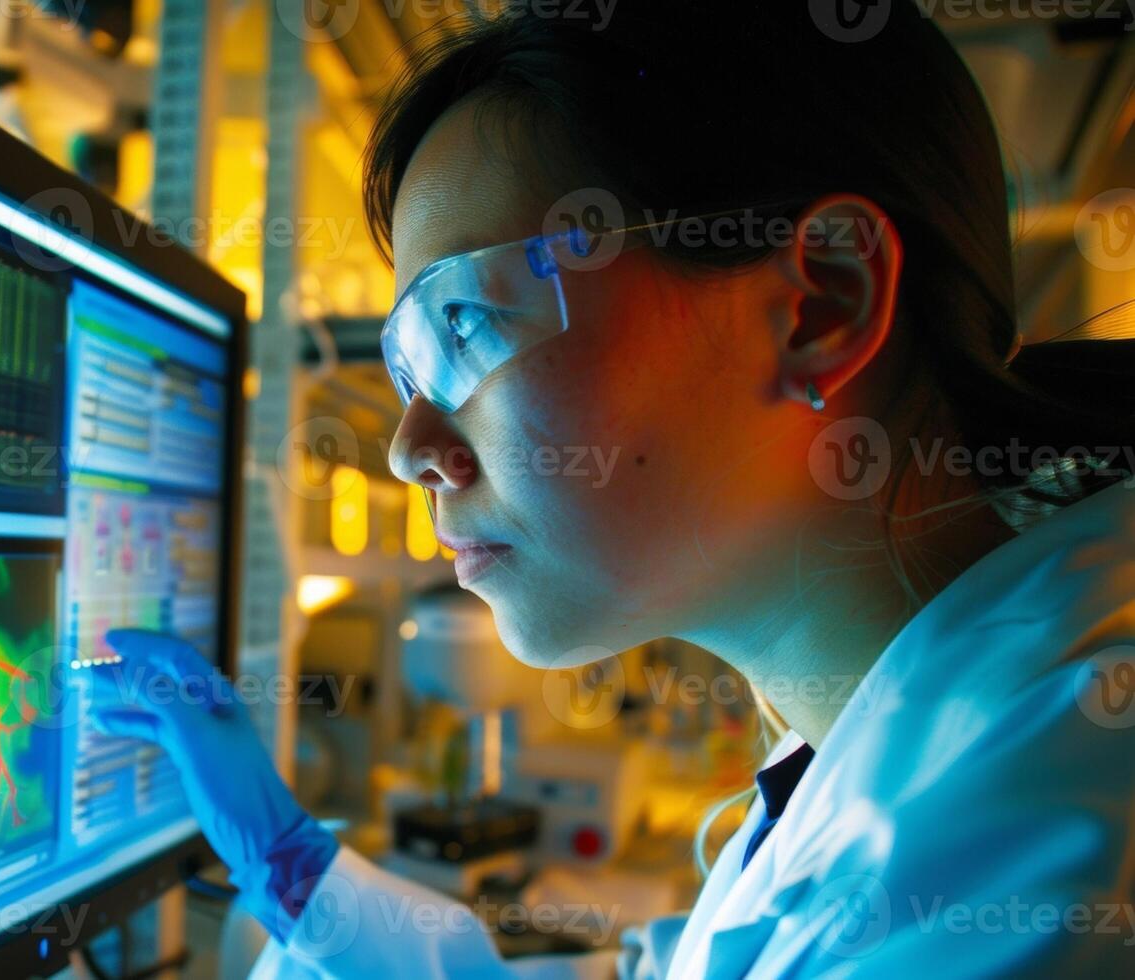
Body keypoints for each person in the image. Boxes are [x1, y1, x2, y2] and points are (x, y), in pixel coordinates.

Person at [88, 1, 1135, 975]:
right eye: (407, 367)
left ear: (822, 301)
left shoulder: (1027, 876)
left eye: (468, 323)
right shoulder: (902, 749)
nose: (410, 446)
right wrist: (293, 872)